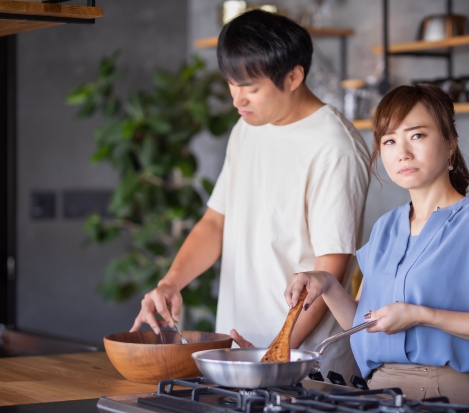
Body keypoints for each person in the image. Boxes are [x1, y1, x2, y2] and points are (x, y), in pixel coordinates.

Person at [131, 10, 370, 381]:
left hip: (302, 365)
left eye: (251, 88)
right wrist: (169, 283)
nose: (237, 100)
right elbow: (215, 222)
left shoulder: (334, 148)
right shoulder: (248, 127)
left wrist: (272, 356)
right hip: (240, 358)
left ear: (294, 76)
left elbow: (330, 270)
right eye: (231, 84)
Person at [285, 84, 469, 406]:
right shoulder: (386, 227)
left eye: (416, 135)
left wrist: (421, 315)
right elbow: (365, 325)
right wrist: (328, 285)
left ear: (450, 145)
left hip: (449, 393)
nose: (402, 151)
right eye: (389, 140)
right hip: (378, 393)